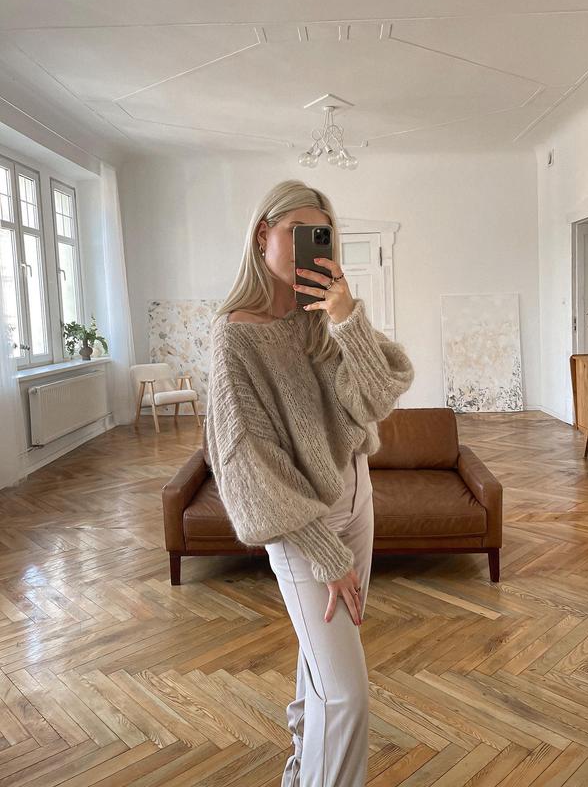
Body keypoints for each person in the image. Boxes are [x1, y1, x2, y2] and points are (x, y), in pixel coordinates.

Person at [206, 179, 415, 786]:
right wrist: (325, 552)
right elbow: (250, 464)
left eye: (319, 234)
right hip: (302, 527)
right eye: (297, 231)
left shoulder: (321, 320)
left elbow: (378, 396)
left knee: (321, 664)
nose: (309, 244)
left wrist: (347, 318)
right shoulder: (233, 336)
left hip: (358, 499)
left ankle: (303, 767)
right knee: (347, 696)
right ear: (262, 234)